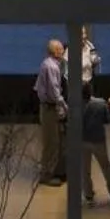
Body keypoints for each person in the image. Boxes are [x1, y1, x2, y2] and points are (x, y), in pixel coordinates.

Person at [79, 93, 110, 206]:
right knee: (106, 167)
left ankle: (88, 197)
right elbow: (107, 120)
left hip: (82, 141)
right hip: (98, 140)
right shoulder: (100, 103)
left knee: (85, 170)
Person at [35, 39, 68, 186]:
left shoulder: (49, 64)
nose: (63, 51)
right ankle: (46, 175)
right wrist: (65, 107)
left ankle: (52, 170)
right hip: (50, 108)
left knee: (55, 141)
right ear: (55, 51)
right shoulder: (52, 67)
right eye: (61, 49)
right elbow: (55, 93)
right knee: (51, 143)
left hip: (49, 107)